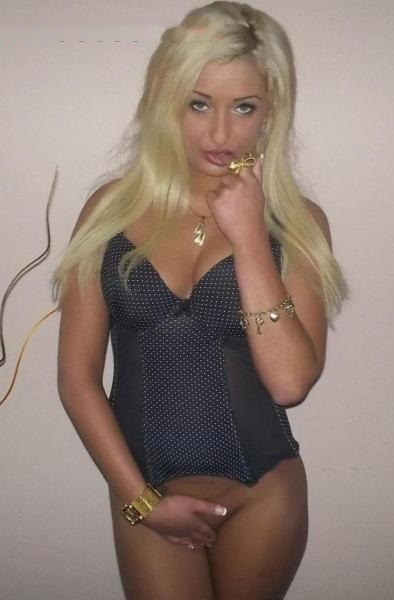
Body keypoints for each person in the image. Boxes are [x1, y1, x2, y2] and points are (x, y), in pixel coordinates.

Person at [52, 2, 348, 598]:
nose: (220, 134)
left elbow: (290, 383)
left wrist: (250, 239)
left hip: (264, 494)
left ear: (270, 111)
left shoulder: (298, 224)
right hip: (148, 493)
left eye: (244, 107)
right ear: (167, 100)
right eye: (199, 104)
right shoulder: (110, 211)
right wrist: (140, 501)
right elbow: (77, 379)